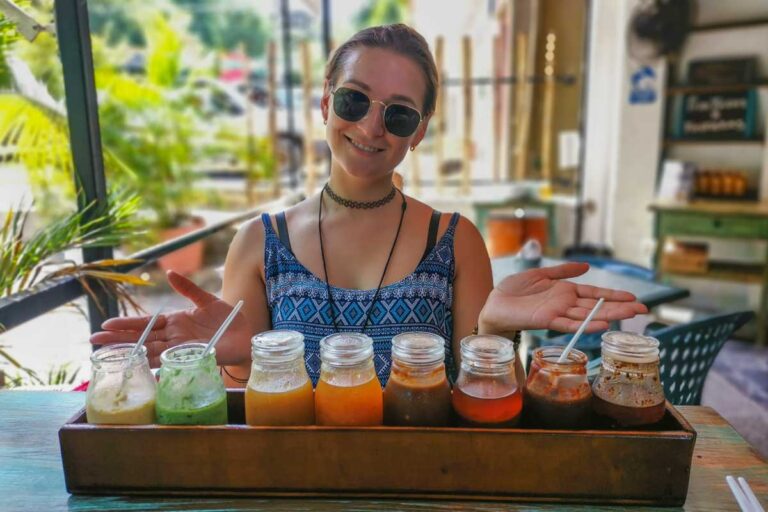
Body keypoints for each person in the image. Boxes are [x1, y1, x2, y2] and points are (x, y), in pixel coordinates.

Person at [91, 24, 647, 387]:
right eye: (355, 100)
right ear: (325, 101)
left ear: (419, 132)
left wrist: (497, 332)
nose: (371, 126)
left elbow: (483, 399)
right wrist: (235, 359)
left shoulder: (454, 240)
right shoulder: (261, 243)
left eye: (399, 113)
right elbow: (248, 396)